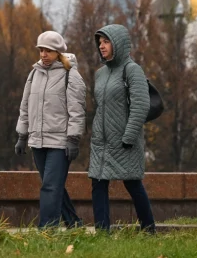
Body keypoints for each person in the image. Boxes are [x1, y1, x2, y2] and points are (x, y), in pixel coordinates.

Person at [88, 23, 155, 233]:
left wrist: (129, 136)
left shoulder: (132, 70)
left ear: (118, 43)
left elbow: (141, 105)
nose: (102, 46)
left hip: (125, 141)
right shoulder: (100, 74)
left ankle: (148, 229)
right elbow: (100, 106)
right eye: (100, 42)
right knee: (98, 184)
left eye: (106, 41)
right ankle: (102, 232)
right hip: (102, 141)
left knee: (133, 184)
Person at [15, 30, 86, 228]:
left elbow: (77, 111)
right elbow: (25, 106)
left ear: (58, 52)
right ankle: (75, 224)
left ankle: (47, 229)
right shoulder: (34, 74)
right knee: (54, 187)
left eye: (48, 50)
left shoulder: (70, 75)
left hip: (60, 143)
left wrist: (73, 139)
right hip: (37, 141)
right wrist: (22, 135)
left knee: (50, 187)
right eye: (41, 50)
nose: (44, 54)